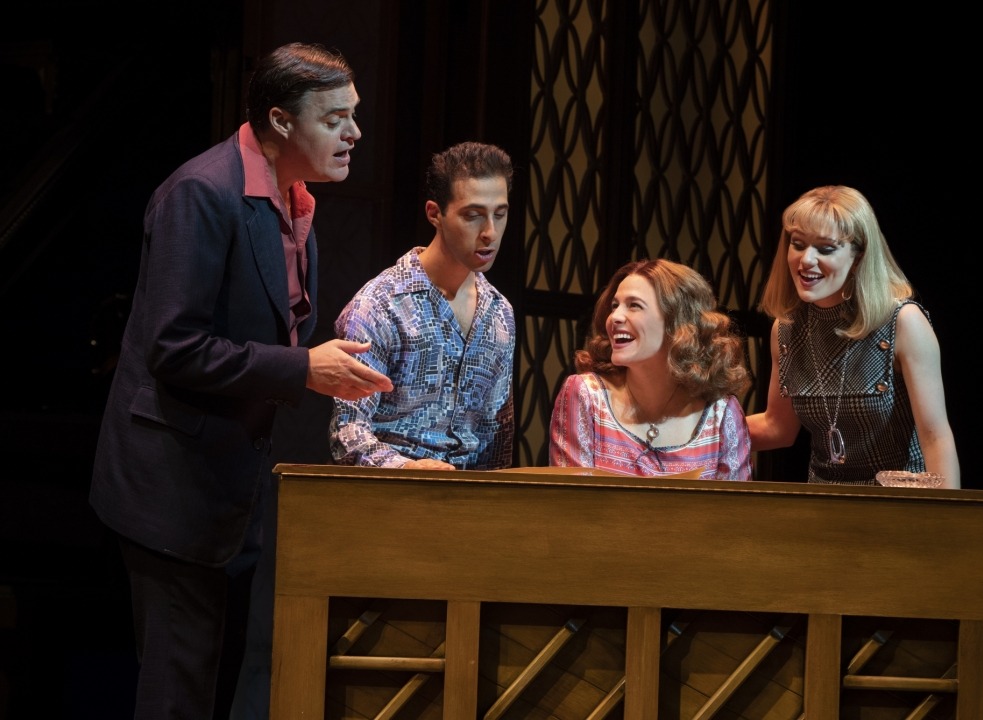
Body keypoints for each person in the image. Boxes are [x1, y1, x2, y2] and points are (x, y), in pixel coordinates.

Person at [89, 42, 394, 720]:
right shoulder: (201, 193)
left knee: (225, 687)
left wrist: (314, 364)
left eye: (354, 115)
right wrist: (303, 367)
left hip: (231, 483)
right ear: (281, 120)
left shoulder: (294, 199)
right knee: (178, 697)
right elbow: (174, 347)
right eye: (335, 119)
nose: (354, 133)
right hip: (173, 485)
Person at [746, 185, 961, 488]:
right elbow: (777, 427)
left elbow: (935, 437)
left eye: (825, 248)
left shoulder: (903, 321)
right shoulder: (786, 328)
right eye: (798, 244)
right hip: (824, 502)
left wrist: (948, 514)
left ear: (858, 256)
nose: (806, 260)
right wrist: (697, 434)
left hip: (899, 502)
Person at [329, 141, 516, 470]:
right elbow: (347, 431)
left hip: (469, 496)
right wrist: (405, 469)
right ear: (435, 214)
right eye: (473, 216)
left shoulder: (500, 313)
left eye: (499, 215)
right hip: (388, 492)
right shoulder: (381, 305)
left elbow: (495, 440)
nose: (490, 232)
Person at [549, 258, 752, 479]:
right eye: (615, 306)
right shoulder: (586, 395)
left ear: (677, 323)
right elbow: (572, 496)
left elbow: (733, 501)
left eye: (634, 305)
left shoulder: (721, 413)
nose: (614, 317)